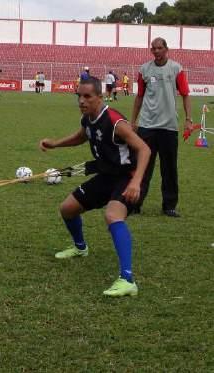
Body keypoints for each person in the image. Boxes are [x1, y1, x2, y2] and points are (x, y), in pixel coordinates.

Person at [39, 76, 151, 297]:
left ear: (100, 97)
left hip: (128, 177)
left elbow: (144, 149)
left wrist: (137, 182)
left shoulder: (115, 121)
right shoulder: (88, 119)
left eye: (87, 96)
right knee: (67, 209)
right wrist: (55, 143)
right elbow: (81, 137)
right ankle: (80, 248)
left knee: (113, 215)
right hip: (106, 176)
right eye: (79, 96)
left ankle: (127, 280)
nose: (81, 100)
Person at [131, 37, 192, 218]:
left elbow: (186, 95)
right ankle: (135, 203)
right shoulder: (144, 70)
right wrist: (133, 121)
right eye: (153, 48)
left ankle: (169, 205)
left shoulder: (176, 69)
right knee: (142, 167)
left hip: (169, 127)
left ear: (166, 49)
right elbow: (139, 97)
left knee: (169, 169)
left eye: (159, 48)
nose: (156, 51)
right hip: (147, 126)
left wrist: (188, 119)